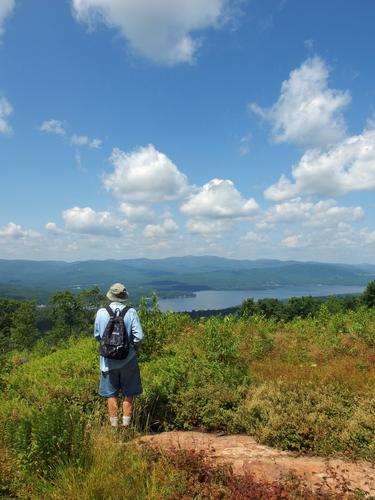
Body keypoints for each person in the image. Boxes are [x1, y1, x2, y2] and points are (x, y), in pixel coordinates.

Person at [94, 282, 143, 428]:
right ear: (124, 296)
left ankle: (114, 428)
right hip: (129, 360)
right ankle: (126, 426)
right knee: (129, 393)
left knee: (111, 394)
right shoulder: (131, 312)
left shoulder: (101, 312)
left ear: (111, 295)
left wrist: (108, 347)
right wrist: (132, 348)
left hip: (108, 362)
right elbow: (139, 336)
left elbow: (97, 335)